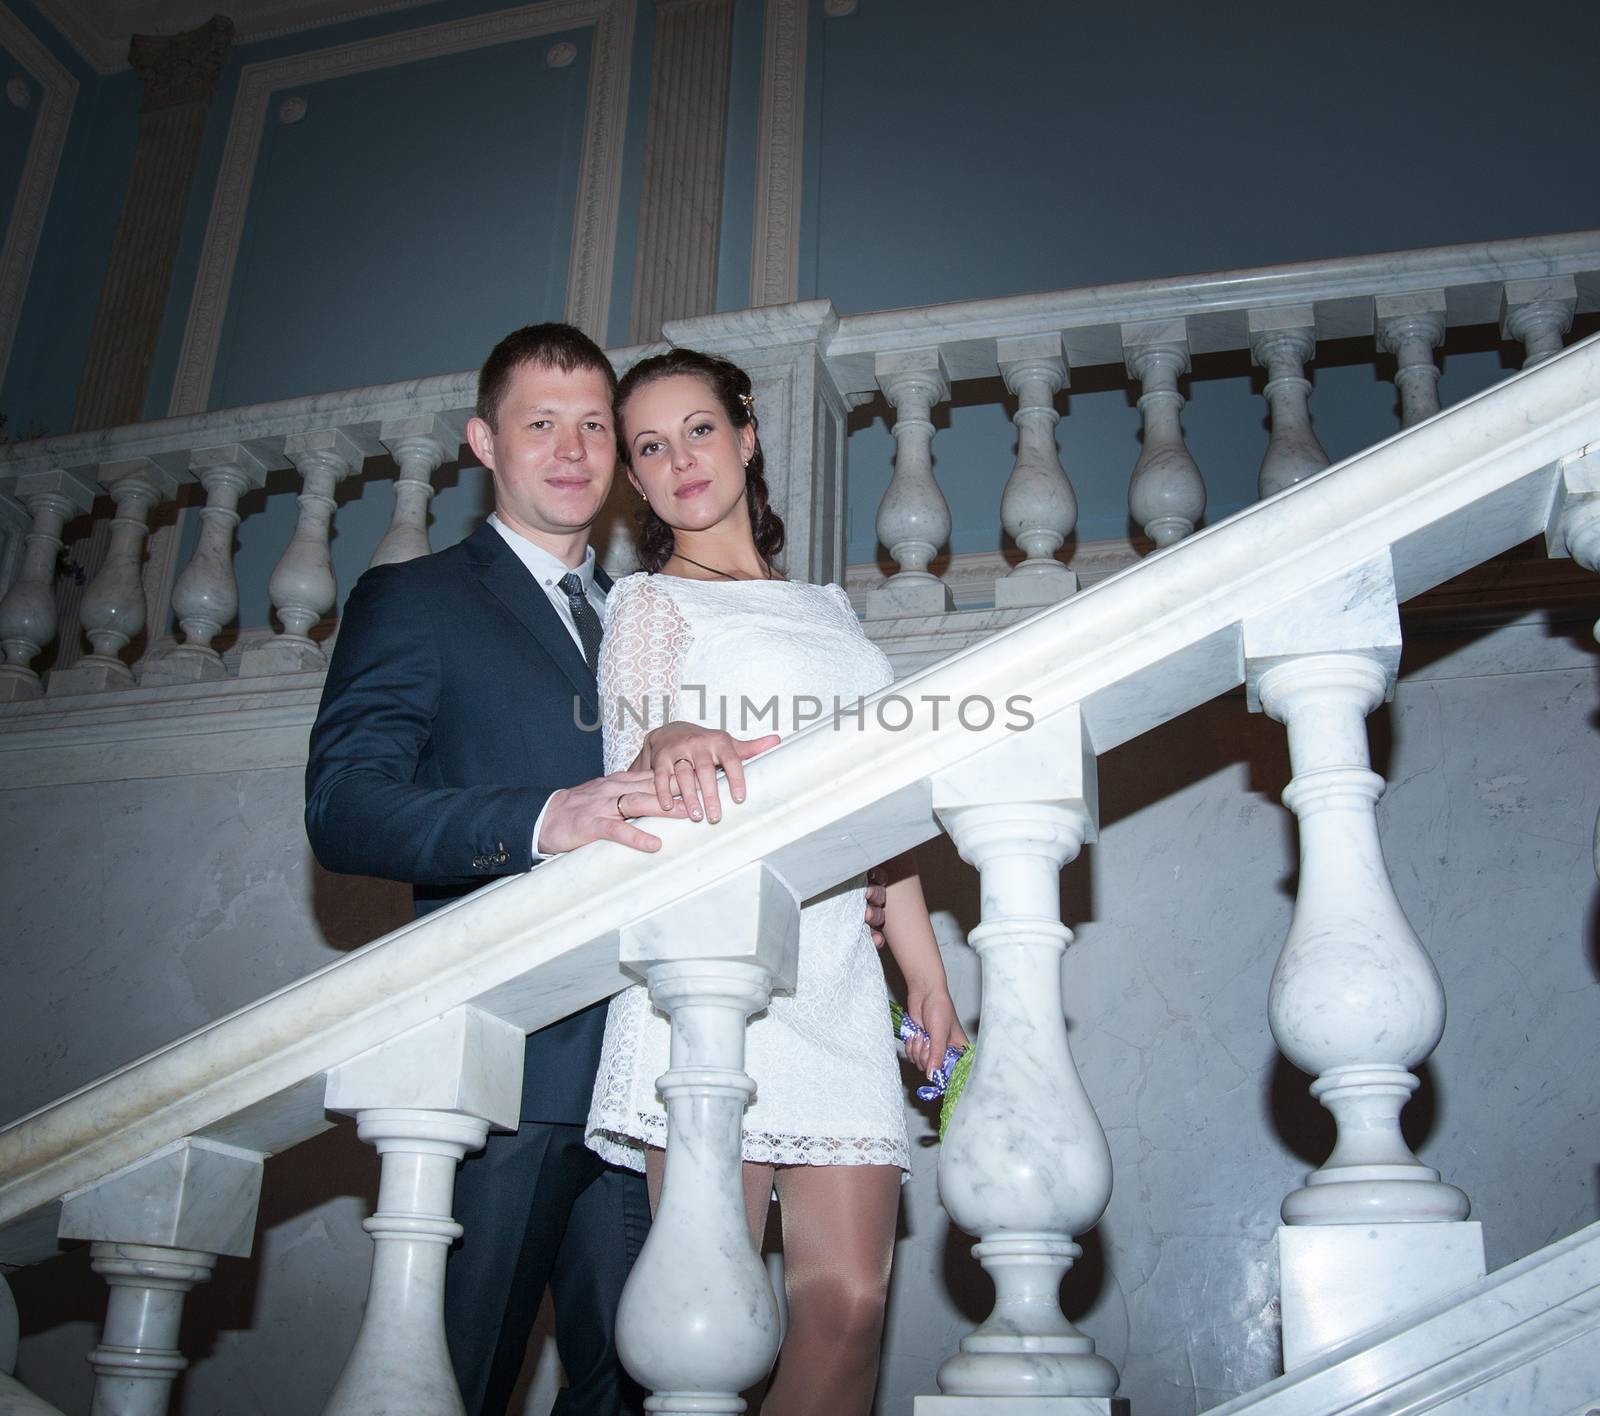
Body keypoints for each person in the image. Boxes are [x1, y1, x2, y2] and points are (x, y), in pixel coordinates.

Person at [304, 323, 782, 1416]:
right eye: (539, 425)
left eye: (594, 428)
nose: (572, 452)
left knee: (650, 1388)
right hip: (505, 1077)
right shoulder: (415, 599)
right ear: (485, 441)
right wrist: (540, 818)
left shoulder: (655, 614)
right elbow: (343, 809)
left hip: (654, 1072)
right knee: (454, 1380)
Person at [585, 347, 968, 1416]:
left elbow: (877, 809)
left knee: (849, 1304)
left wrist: (925, 972)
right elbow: (635, 747)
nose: (678, 460)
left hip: (842, 975)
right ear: (637, 479)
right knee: (710, 1319)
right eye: (649, 447)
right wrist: (675, 733)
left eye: (698, 430)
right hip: (721, 968)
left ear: (746, 436)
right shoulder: (650, 605)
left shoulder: (832, 613)